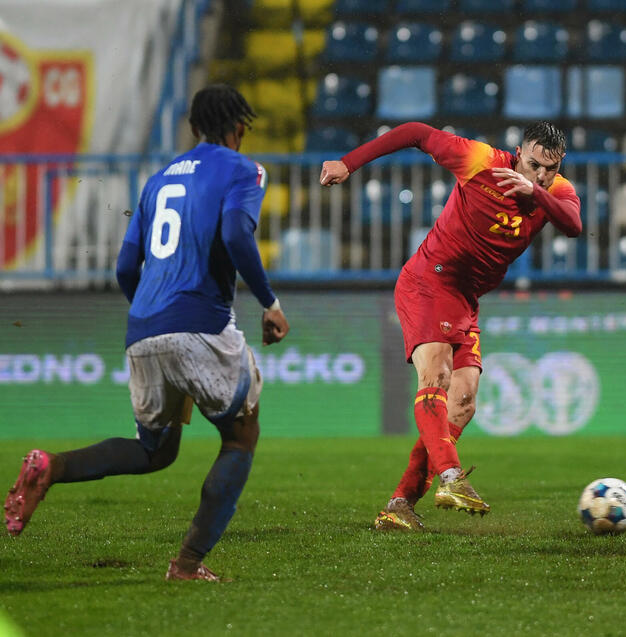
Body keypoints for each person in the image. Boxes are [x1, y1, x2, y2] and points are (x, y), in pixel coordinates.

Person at [3, 85, 290, 581]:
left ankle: (50, 466)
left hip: (143, 326)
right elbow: (237, 234)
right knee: (240, 438)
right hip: (200, 322)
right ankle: (187, 565)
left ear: (195, 127)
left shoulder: (157, 181)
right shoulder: (244, 169)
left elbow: (124, 267)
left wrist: (154, 317)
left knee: (155, 451)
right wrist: (270, 301)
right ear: (237, 126)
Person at [320, 122, 581, 531]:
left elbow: (573, 225)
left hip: (465, 299)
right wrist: (348, 164)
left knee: (463, 402)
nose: (541, 175)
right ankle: (451, 477)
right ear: (518, 153)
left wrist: (536, 193)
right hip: (430, 281)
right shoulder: (480, 162)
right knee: (437, 375)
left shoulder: (553, 191)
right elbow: (415, 133)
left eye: (550, 168)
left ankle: (399, 505)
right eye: (533, 165)